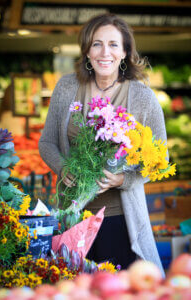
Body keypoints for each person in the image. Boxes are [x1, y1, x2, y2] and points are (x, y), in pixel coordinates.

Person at [39, 13, 166, 276]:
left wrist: (123, 179)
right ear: (86, 51)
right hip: (72, 217)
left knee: (117, 289)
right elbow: (47, 142)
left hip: (120, 220)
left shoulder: (143, 98)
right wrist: (63, 168)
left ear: (124, 52)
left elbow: (159, 160)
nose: (104, 52)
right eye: (96, 44)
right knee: (72, 289)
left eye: (113, 44)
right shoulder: (66, 87)